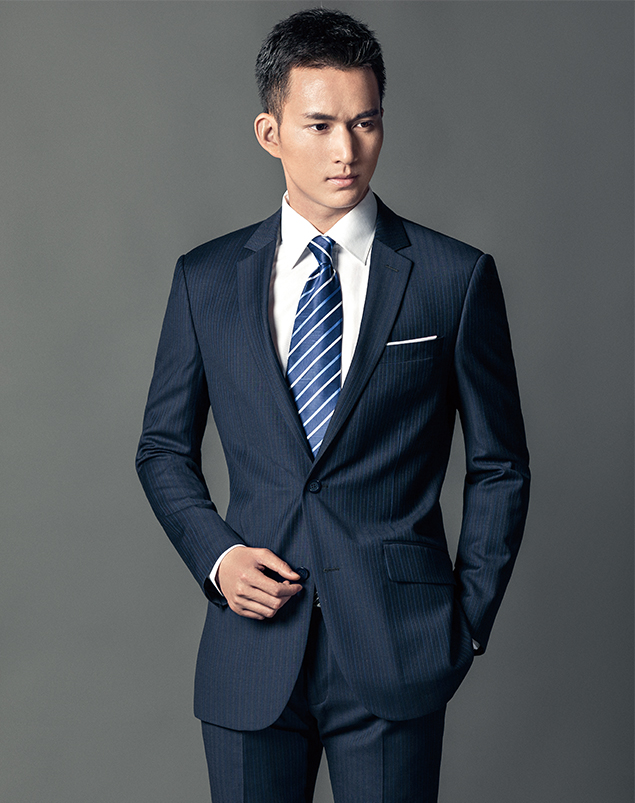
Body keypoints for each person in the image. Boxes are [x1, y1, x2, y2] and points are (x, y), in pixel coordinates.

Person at [136, 8, 530, 802]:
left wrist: (465, 621)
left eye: (364, 123)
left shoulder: (453, 278)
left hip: (399, 648)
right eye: (319, 125)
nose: (345, 150)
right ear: (270, 131)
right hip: (250, 649)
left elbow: (499, 465)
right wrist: (217, 557)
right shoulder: (205, 279)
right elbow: (163, 450)